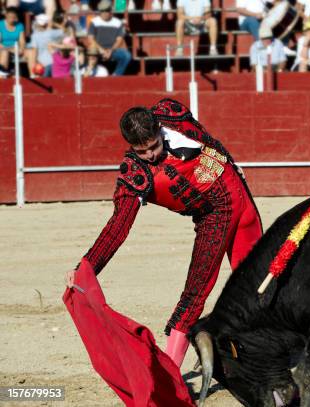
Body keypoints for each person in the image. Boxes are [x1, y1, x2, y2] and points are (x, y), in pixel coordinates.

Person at [64, 98, 263, 369]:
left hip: (242, 200)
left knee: (260, 282)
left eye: (154, 146)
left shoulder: (172, 113)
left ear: (159, 128)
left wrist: (230, 160)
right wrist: (86, 267)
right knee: (195, 292)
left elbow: (207, 137)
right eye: (142, 151)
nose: (151, 155)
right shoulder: (135, 174)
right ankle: (170, 371)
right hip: (215, 216)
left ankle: (251, 347)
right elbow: (117, 228)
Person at [87, 0, 132, 75]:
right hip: (97, 50)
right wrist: (102, 50)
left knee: (127, 55)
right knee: (91, 53)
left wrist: (110, 50)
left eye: (106, 10)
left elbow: (119, 40)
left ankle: (116, 75)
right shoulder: (94, 22)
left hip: (112, 50)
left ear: (110, 10)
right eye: (102, 11)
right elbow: (91, 39)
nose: (104, 13)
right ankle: (92, 74)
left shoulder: (117, 22)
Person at [0, 7, 25, 77]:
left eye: (13, 17)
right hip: (3, 49)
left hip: (15, 48)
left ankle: (34, 76)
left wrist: (21, 49)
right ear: (6, 15)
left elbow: (22, 41)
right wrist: (10, 49)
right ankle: (2, 75)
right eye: (10, 17)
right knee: (5, 52)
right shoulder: (0, 24)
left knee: (31, 51)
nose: (11, 19)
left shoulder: (20, 25)